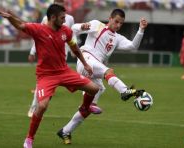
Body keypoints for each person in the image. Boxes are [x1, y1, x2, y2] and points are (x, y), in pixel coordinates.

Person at [0, 4, 100, 148]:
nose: (65, 20)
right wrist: (10, 18)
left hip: (64, 71)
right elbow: (21, 25)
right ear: (52, 17)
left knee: (94, 88)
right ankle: (29, 139)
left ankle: (84, 108)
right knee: (42, 106)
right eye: (62, 18)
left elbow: (74, 47)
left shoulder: (66, 31)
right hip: (46, 75)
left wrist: (84, 64)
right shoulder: (39, 29)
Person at [56, 8, 148, 144]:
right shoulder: (96, 25)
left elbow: (133, 46)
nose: (118, 25)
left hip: (95, 68)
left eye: (121, 23)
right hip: (86, 59)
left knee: (87, 108)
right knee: (108, 72)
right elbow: (73, 28)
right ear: (110, 18)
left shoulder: (117, 38)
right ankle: (124, 91)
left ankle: (65, 131)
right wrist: (73, 46)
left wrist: (141, 30)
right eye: (116, 21)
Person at [27, 0, 76, 117]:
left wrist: (74, 48)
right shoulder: (47, 19)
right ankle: (34, 107)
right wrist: (32, 51)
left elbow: (72, 34)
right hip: (48, 54)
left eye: (61, 3)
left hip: (62, 54)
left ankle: (41, 106)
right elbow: (39, 36)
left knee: (54, 83)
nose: (60, 5)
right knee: (43, 82)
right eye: (57, 3)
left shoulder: (69, 19)